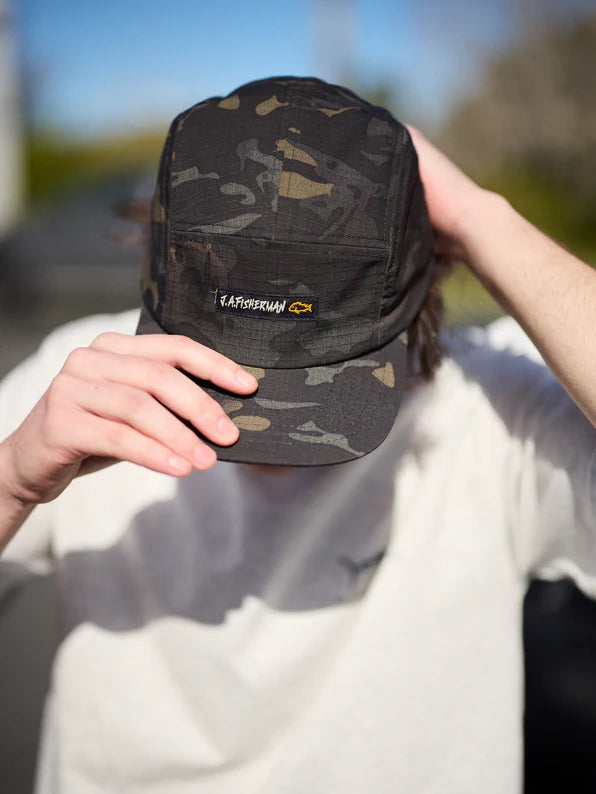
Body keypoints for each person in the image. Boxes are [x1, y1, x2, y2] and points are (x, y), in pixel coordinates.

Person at [0, 76, 594, 794]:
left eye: (321, 376)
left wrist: (479, 217)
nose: (253, 431)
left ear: (415, 292)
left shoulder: (494, 408)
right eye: (216, 370)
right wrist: (13, 480)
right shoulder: (84, 388)